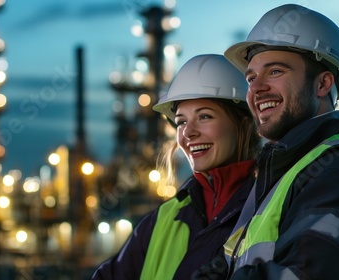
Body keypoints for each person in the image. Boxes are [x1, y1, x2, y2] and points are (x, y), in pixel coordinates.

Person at [221, 4, 339, 280]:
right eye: (251, 77)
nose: (256, 88)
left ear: (322, 85)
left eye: (274, 72)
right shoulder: (282, 176)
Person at [91, 54, 261, 279]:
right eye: (181, 121)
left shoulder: (267, 207)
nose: (189, 132)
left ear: (245, 124)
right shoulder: (165, 218)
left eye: (204, 116)